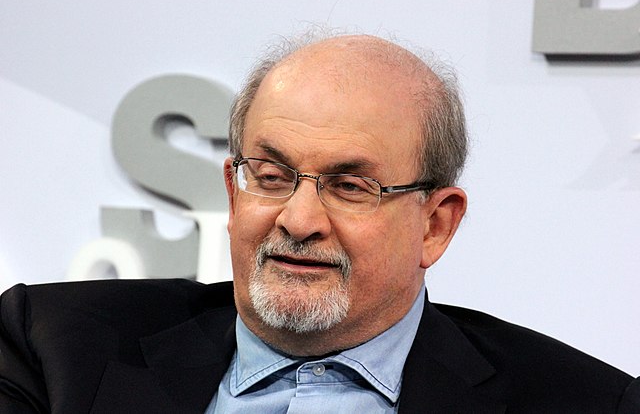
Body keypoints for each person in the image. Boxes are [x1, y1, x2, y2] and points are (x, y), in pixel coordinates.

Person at [1, 33, 638, 413]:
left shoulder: (586, 403)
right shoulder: (53, 346)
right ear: (233, 194)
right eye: (271, 175)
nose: (299, 219)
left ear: (435, 225)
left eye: (351, 186)